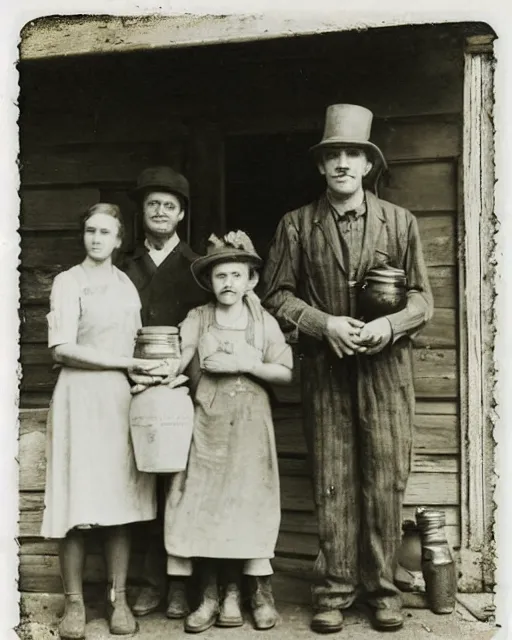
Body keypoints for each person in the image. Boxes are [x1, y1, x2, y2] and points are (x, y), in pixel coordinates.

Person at [261, 104, 434, 634]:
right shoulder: (296, 224)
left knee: (384, 479)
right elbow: (276, 294)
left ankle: (382, 590)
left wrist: (391, 326)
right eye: (332, 155)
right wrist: (321, 323)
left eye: (351, 154)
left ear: (367, 164)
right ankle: (334, 589)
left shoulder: (399, 222)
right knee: (332, 481)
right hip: (326, 372)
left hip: (387, 373)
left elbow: (423, 299)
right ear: (321, 167)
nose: (341, 163)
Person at [41, 203, 165, 639]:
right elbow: (62, 348)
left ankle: (119, 600)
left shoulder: (125, 285)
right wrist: (126, 362)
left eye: (105, 232)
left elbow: (135, 341)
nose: (96, 238)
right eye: (90, 230)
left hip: (117, 399)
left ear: (118, 241)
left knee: (119, 502)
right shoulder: (68, 282)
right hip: (78, 396)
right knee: (76, 502)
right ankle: (74, 605)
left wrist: (147, 372)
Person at [163, 231, 293, 633]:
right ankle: (209, 593)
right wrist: (167, 372)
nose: (228, 284)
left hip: (251, 429)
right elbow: (179, 356)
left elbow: (285, 372)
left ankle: (251, 592)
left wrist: (247, 365)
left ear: (251, 280)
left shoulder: (262, 322)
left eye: (237, 275)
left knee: (248, 503)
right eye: (221, 276)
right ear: (210, 281)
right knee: (204, 504)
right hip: (208, 427)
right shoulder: (198, 319)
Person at [118, 166, 207, 619]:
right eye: (152, 203)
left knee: (180, 487)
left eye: (169, 205)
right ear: (143, 212)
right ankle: (149, 582)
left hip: (181, 390)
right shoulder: (123, 267)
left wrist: (185, 378)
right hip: (132, 387)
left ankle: (180, 586)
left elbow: (205, 331)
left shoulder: (197, 268)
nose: (160, 211)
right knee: (141, 487)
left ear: (181, 214)